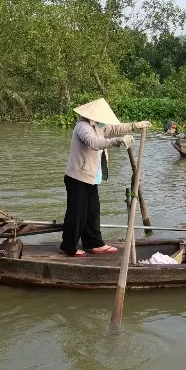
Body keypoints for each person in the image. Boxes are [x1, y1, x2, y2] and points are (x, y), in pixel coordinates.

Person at [60, 98, 152, 257]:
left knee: (92, 212)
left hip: (91, 177)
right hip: (78, 177)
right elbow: (95, 143)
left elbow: (116, 128)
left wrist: (135, 125)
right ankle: (68, 247)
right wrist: (117, 141)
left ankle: (94, 243)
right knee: (77, 213)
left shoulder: (98, 126)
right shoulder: (83, 126)